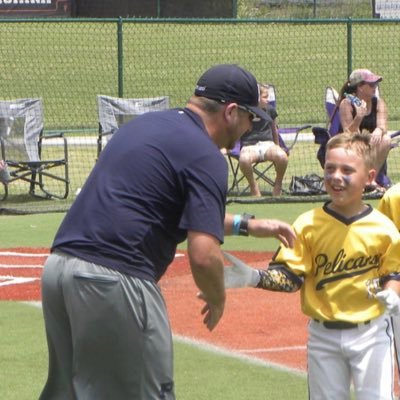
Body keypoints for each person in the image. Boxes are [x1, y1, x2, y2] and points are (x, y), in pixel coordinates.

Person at [39, 64, 296, 400]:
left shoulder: (148, 125)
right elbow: (203, 254)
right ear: (232, 112)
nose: (251, 128)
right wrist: (217, 296)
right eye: (252, 118)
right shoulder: (207, 155)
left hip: (59, 272)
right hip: (115, 279)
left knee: (68, 393)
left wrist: (246, 225)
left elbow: (163, 206)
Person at [221, 132, 400, 399]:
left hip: (372, 332)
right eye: (330, 168)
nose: (336, 176)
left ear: (370, 178)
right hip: (323, 336)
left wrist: (393, 293)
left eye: (347, 170)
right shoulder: (307, 224)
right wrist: (253, 277)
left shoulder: (384, 228)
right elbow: (291, 276)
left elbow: (392, 271)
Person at [338, 68, 392, 192]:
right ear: (360, 87)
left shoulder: (379, 103)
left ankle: (370, 180)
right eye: (372, 84)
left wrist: (379, 130)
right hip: (351, 144)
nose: (375, 87)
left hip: (372, 144)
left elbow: (383, 125)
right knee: (358, 144)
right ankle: (361, 181)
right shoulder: (346, 103)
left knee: (386, 139)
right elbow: (348, 132)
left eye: (376, 84)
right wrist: (359, 117)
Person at [238, 83, 288, 196]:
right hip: (249, 146)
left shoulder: (270, 110)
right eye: (265, 97)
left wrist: (277, 146)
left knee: (282, 156)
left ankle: (278, 184)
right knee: (244, 160)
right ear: (256, 98)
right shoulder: (245, 111)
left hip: (268, 145)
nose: (268, 100)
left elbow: (274, 130)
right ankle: (253, 186)